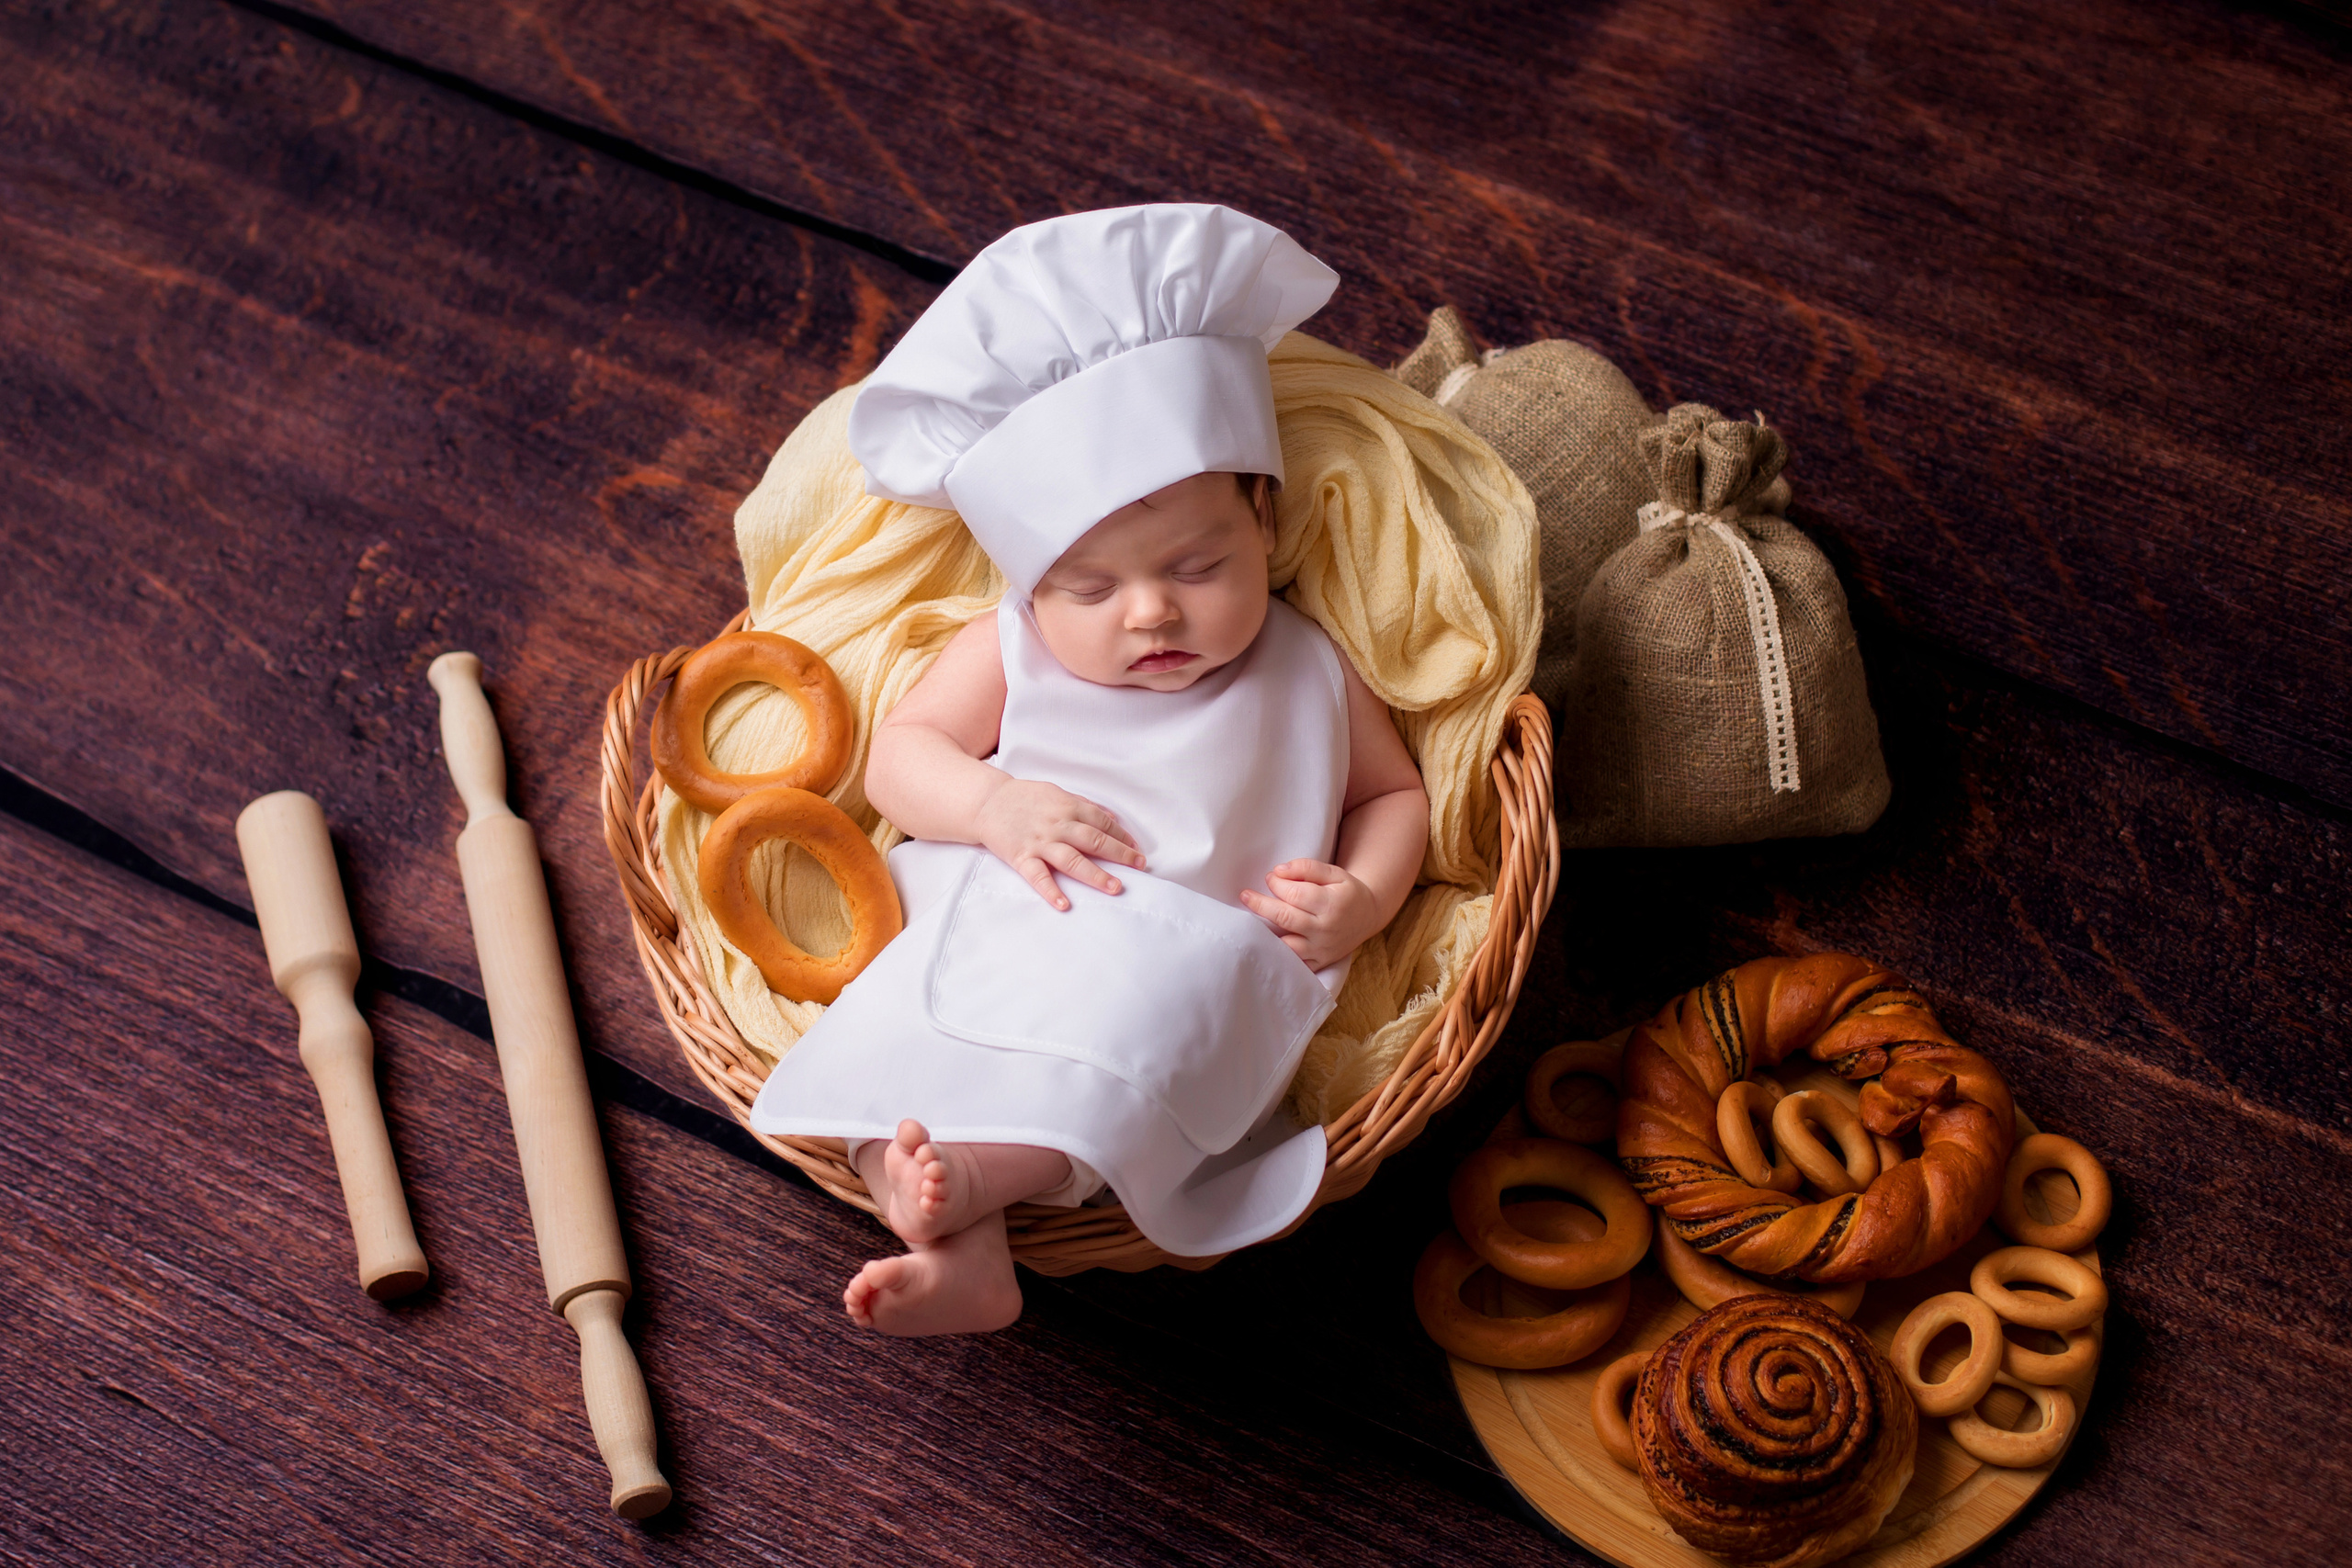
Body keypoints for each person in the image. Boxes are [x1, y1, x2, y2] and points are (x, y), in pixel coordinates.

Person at [748, 205, 1429, 1336]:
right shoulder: (1009, 646)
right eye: (1090, 590)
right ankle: (947, 1227)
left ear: (1264, 519)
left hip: (1184, 940)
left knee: (1137, 1037)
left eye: (1197, 564)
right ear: (1026, 586)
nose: (1152, 610)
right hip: (1005, 895)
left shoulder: (1308, 666)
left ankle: (970, 1193)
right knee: (890, 1040)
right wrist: (992, 803)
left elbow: (1393, 795)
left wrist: (1364, 896)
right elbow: (900, 759)